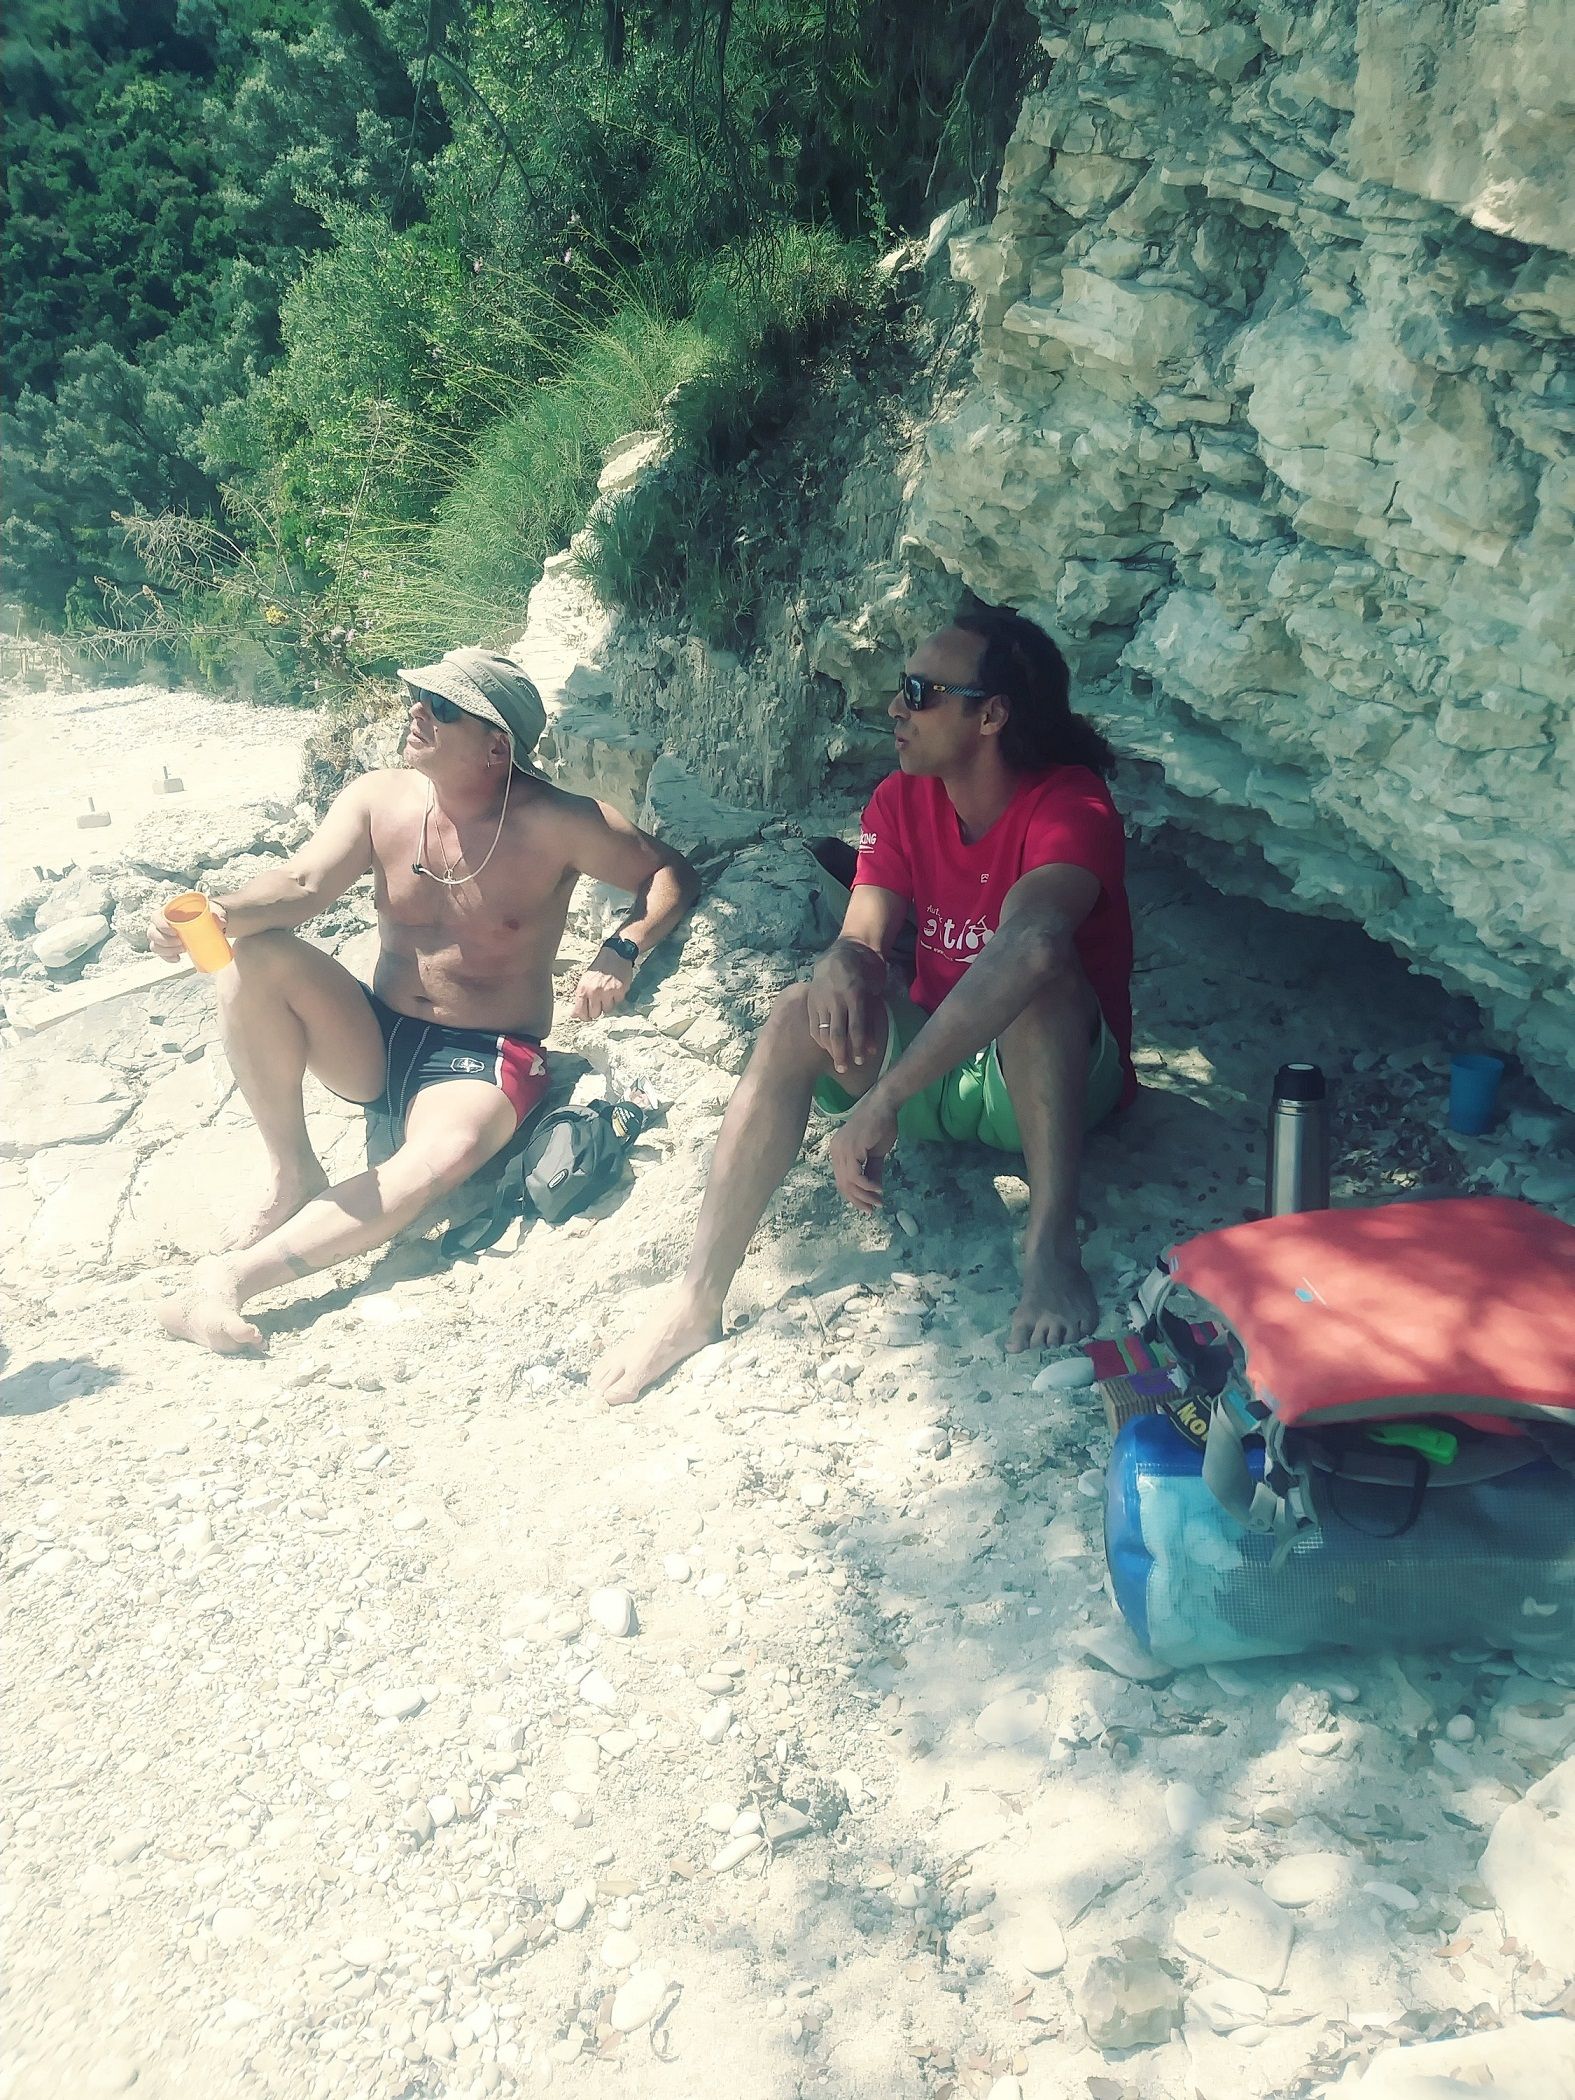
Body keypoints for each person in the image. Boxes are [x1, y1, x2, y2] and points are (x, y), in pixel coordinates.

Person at [592, 607, 1134, 1406]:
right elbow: (864, 932)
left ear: (990, 715)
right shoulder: (901, 798)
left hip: (1047, 1083)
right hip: (941, 1069)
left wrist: (885, 1097)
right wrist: (842, 959)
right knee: (790, 1012)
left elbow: (1033, 945)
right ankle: (696, 1297)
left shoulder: (1069, 805)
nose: (894, 708)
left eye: (918, 691)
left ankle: (1049, 1245)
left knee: (1038, 978)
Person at [155, 647, 699, 1355]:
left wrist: (623, 947)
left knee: (445, 1153)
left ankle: (226, 1283)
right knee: (248, 956)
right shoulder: (379, 798)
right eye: (418, 695)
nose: (417, 710)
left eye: (442, 707)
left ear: (496, 747)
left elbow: (667, 871)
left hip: (479, 1056)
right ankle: (293, 1171)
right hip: (376, 1040)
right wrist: (213, 913)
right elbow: (299, 886)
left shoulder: (557, 821)